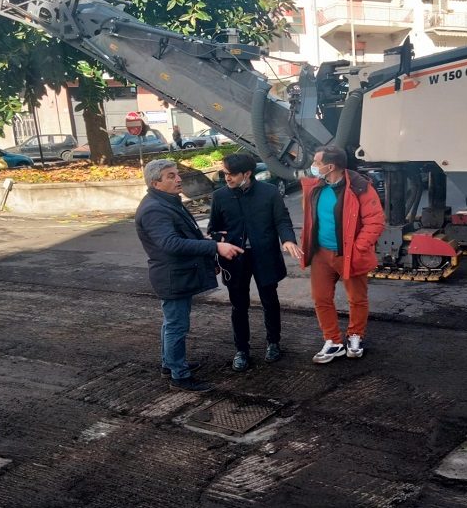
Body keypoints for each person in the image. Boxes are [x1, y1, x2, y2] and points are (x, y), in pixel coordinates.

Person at [135, 159, 243, 392]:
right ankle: (179, 375)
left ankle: (170, 364)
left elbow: (184, 234)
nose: (178, 179)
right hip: (172, 277)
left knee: (172, 323)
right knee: (176, 325)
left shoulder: (166, 201)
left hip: (176, 274)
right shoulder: (155, 209)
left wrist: (206, 249)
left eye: (177, 174)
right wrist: (215, 247)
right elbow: (170, 243)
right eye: (171, 176)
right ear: (156, 183)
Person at [208, 153, 303, 372]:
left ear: (247, 174)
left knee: (270, 301)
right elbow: (214, 228)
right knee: (238, 305)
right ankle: (241, 350)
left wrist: (287, 239)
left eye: (231, 174)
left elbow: (282, 219)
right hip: (235, 258)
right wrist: (217, 246)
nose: (227, 178)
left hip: (265, 256)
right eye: (224, 173)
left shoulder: (269, 193)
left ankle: (273, 343)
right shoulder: (220, 196)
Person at [300, 146, 385, 364]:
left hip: (350, 255)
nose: (314, 166)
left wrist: (357, 249)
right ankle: (333, 341)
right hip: (321, 254)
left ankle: (355, 336)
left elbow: (375, 221)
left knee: (356, 298)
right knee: (321, 298)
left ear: (331, 166)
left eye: (317, 162)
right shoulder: (315, 187)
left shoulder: (360, 188)